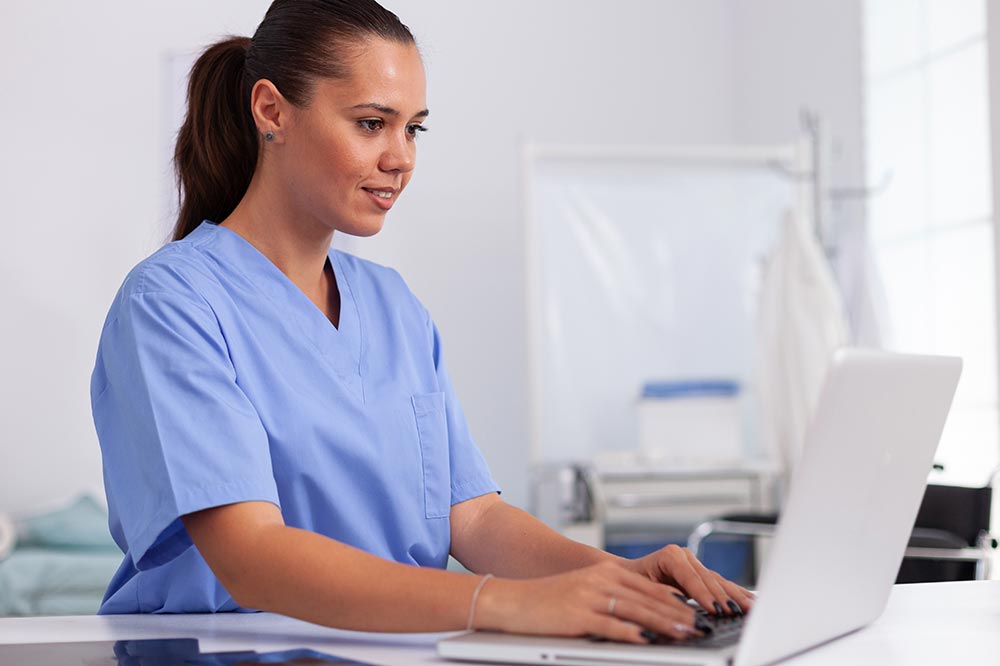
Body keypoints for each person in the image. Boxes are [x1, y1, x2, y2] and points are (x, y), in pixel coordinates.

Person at [91, 0, 753, 644]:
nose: (402, 156)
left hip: (395, 648)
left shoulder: (393, 306)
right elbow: (252, 555)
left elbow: (476, 518)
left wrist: (616, 578)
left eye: (414, 128)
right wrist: (502, 604)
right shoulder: (173, 303)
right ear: (272, 111)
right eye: (371, 123)